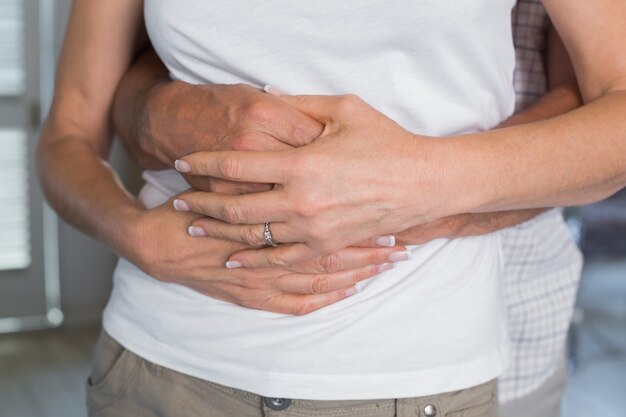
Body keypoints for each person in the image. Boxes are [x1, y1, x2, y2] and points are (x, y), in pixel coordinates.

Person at [37, 1, 626, 416]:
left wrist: (419, 182)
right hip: (156, 363)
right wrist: (135, 235)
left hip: (407, 379)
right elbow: (67, 132)